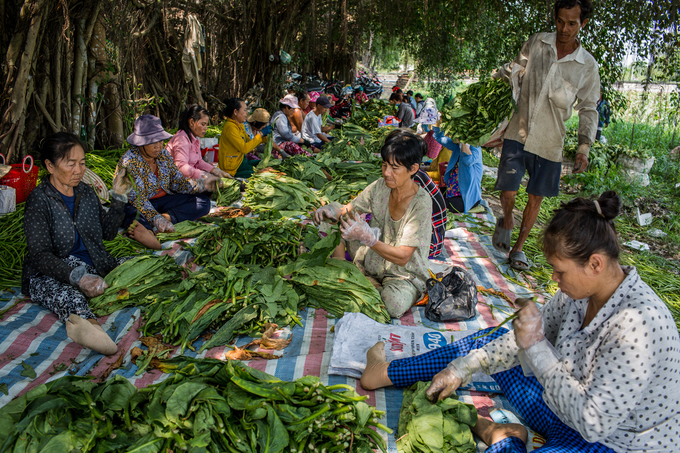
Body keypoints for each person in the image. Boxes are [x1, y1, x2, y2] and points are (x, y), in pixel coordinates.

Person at [360, 191, 680, 452]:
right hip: (561, 409)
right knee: (492, 343)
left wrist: (536, 347)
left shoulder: (638, 326)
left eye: (560, 272)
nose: (554, 281)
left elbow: (593, 422)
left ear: (595, 264)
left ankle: (504, 438)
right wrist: (460, 370)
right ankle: (388, 372)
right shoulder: (577, 293)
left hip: (613, 441)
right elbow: (520, 342)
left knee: (527, 350)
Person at [491, 0, 599, 271]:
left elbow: (588, 108)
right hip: (519, 130)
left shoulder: (586, 66)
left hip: (550, 141)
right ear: (555, 17)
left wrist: (583, 146)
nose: (564, 28)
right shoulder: (537, 43)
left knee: (535, 198)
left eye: (572, 23)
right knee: (508, 191)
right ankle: (506, 219)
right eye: (560, 21)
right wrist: (501, 76)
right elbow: (516, 70)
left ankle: (518, 249)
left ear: (582, 24)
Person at [23, 133, 136, 355]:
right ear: (50, 166)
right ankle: (91, 329)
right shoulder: (39, 200)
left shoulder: (86, 192)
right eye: (70, 163)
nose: (79, 170)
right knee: (70, 296)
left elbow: (109, 233)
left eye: (82, 163)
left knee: (138, 266)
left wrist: (119, 198)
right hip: (51, 271)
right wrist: (78, 277)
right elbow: (39, 255)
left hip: (95, 262)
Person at [313, 130, 432, 318]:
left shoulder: (421, 203)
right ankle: (346, 271)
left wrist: (368, 239)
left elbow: (403, 257)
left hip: (402, 273)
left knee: (392, 305)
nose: (386, 173)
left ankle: (360, 281)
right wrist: (331, 210)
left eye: (394, 167)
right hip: (373, 260)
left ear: (413, 169)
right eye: (384, 165)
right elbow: (349, 210)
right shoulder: (380, 186)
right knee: (330, 224)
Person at [116, 115, 217, 241]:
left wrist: (199, 185)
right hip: (139, 204)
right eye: (153, 142)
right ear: (141, 143)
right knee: (132, 214)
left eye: (160, 141)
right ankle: (147, 228)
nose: (158, 146)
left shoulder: (163, 155)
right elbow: (137, 199)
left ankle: (166, 218)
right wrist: (154, 217)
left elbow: (177, 181)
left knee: (203, 202)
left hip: (164, 200)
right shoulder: (129, 162)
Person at [426, 125, 483, 213]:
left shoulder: (475, 148)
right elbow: (438, 137)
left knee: (435, 206)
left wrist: (463, 142)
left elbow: (468, 160)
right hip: (451, 191)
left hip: (466, 199)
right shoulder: (457, 146)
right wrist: (438, 124)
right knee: (428, 197)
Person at [166, 104, 230, 181]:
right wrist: (204, 175)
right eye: (203, 124)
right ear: (192, 122)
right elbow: (181, 167)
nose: (205, 128)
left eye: (206, 125)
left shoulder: (195, 139)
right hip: (174, 182)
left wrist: (215, 171)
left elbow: (198, 161)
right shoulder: (181, 139)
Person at [218, 98, 272, 178]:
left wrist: (264, 139)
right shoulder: (230, 127)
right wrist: (260, 134)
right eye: (245, 110)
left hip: (241, 162)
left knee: (265, 163)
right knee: (261, 174)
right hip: (233, 168)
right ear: (235, 112)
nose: (247, 113)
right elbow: (245, 149)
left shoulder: (240, 125)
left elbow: (249, 142)